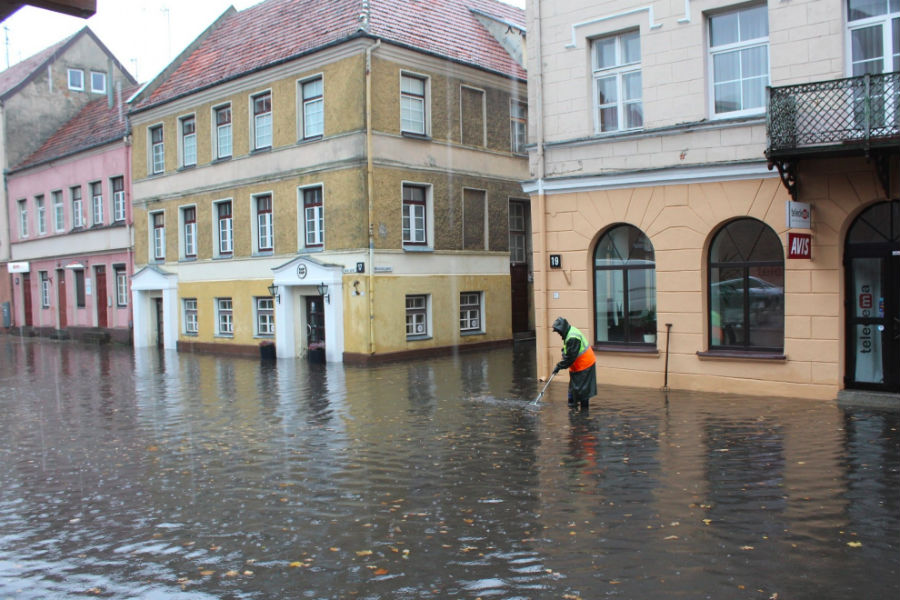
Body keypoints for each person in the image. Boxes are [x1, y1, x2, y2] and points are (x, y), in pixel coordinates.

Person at [551, 316, 597, 409]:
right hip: (577, 366)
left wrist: (559, 366)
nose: (559, 334)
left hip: (585, 365)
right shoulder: (569, 332)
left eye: (559, 331)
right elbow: (569, 351)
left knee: (583, 390)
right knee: (573, 388)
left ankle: (584, 414)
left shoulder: (572, 337)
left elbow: (570, 358)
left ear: (563, 329)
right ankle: (572, 407)